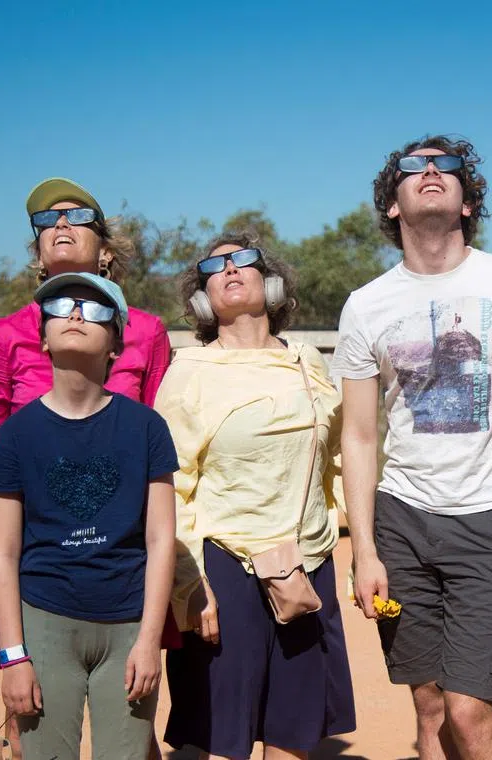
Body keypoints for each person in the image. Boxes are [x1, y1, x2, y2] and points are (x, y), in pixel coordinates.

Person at [332, 135, 492, 760]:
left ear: (469, 201)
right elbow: (359, 435)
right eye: (414, 168)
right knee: (428, 710)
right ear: (392, 204)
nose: (432, 173)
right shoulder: (366, 305)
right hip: (402, 522)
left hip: (490, 522)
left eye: (446, 166)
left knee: (471, 713)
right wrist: (363, 547)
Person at [0, 177, 173, 759]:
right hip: (37, 560)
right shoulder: (5, 337)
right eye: (45, 222)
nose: (59, 226)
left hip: (127, 570)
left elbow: (162, 437)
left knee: (131, 735)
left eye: (77, 216)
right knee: (32, 724)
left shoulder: (146, 333)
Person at [157, 232, 355, 760]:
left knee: (294, 729)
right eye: (214, 267)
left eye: (243, 260)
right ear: (202, 297)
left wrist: (352, 537)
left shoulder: (308, 360)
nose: (230, 270)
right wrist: (190, 583)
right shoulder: (189, 374)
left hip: (307, 561)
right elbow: (172, 486)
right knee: (227, 732)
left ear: (269, 281)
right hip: (224, 565)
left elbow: (334, 455)